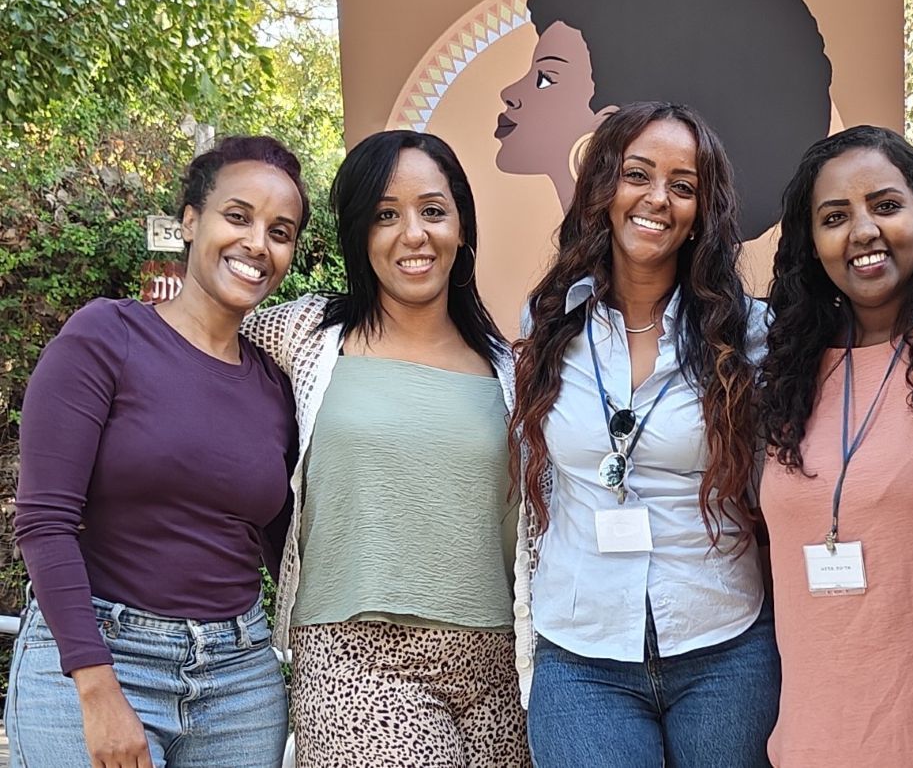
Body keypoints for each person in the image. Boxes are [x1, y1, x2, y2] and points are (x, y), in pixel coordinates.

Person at [8, 136, 308, 768]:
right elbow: (44, 522)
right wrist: (97, 687)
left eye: (280, 231)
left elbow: (285, 544)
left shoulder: (276, 385)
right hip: (102, 658)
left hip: (240, 682)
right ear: (191, 222)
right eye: (238, 216)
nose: (258, 243)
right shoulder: (106, 336)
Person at [241, 129, 528, 768]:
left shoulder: (509, 369)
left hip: (498, 667)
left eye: (432, 210)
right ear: (358, 235)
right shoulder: (305, 335)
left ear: (463, 227)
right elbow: (200, 338)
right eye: (385, 216)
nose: (413, 234)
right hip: (354, 653)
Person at [510, 102, 778, 767]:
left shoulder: (747, 332)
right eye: (638, 174)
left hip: (722, 645)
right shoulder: (550, 319)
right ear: (605, 186)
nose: (657, 198)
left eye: (682, 185)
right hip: (583, 654)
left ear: (701, 212)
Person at [758, 126, 913, 766]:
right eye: (835, 216)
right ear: (811, 243)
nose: (862, 231)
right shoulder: (788, 374)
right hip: (809, 739)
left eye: (885, 205)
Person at [496, 0, 831, 239]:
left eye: (545, 78)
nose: (510, 93)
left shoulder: (739, 301)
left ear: (608, 126)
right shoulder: (552, 300)